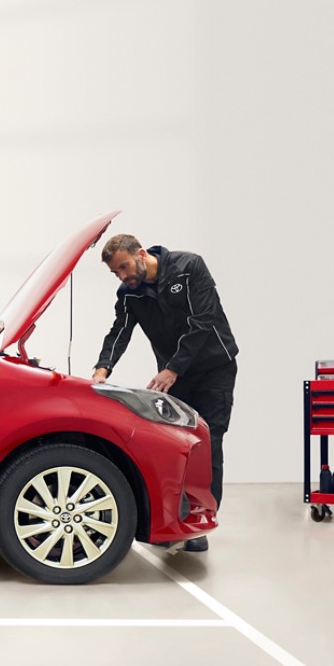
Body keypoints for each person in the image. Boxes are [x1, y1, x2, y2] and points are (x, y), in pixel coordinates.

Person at [92, 234, 238, 552]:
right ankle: (173, 520)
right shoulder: (130, 292)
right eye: (116, 273)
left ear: (141, 254)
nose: (123, 276)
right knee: (174, 447)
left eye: (124, 267)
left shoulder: (189, 268)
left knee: (207, 444)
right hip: (175, 377)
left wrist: (172, 368)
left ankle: (199, 524)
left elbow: (203, 321)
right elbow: (120, 330)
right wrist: (103, 369)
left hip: (214, 369)